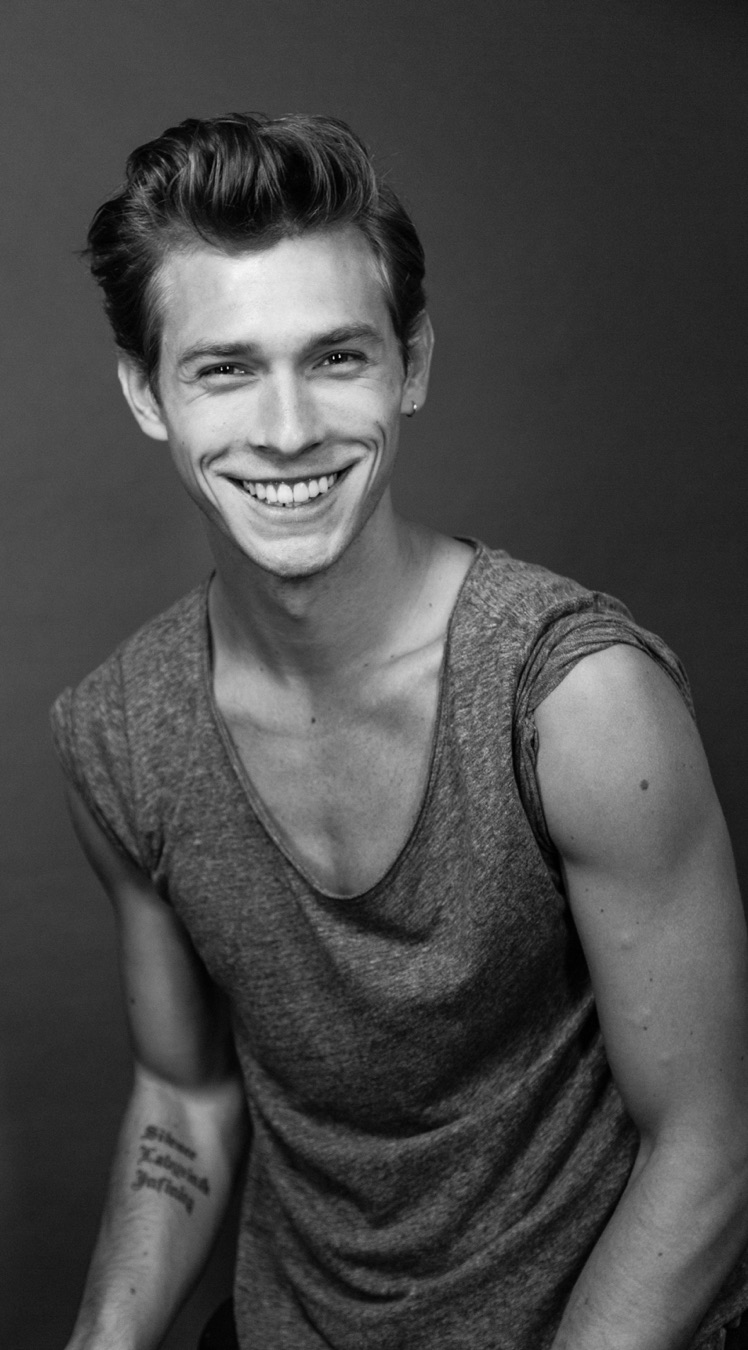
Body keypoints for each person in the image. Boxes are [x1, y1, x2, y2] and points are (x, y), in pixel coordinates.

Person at [50, 112, 748, 1350]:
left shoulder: (577, 700)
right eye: (224, 370)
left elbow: (713, 1145)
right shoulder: (119, 733)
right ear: (146, 393)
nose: (287, 428)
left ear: (411, 364)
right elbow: (185, 1089)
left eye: (336, 357)